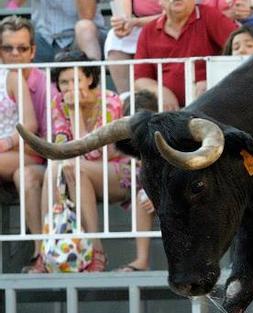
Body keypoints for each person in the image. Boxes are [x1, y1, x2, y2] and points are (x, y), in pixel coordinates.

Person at [26, 51, 127, 273]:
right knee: (55, 166)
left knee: (72, 166)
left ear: (89, 79)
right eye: (64, 82)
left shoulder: (110, 102)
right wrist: (70, 110)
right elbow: (61, 146)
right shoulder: (57, 102)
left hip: (117, 171)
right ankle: (47, 248)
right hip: (79, 170)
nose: (70, 87)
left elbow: (94, 153)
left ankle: (97, 252)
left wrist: (75, 111)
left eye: (76, 80)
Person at [0, 16, 46, 273]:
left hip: (26, 152)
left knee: (25, 174)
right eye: (8, 48)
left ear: (31, 51)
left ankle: (41, 251)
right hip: (11, 158)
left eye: (21, 48)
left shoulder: (15, 78)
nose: (15, 54)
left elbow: (30, 125)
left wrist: (5, 143)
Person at [133, 0, 237, 111]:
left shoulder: (210, 16)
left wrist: (212, 80)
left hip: (209, 104)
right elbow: (140, 79)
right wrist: (160, 91)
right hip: (166, 111)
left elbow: (242, 48)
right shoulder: (148, 30)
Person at [116, 89, 159, 271]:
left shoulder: (161, 137)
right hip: (135, 183)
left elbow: (166, 173)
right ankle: (142, 260)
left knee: (144, 196)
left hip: (166, 191)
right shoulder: (124, 141)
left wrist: (156, 195)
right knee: (142, 197)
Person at [104, 0, 163, 96]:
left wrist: (136, 22)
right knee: (114, 38)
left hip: (170, 23)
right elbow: (124, 16)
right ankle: (127, 98)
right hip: (138, 24)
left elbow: (172, 14)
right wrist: (123, 24)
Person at [30, 0, 107, 63]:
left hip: (81, 39)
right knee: (22, 38)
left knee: (85, 28)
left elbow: (86, 15)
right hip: (44, 39)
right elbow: (17, 4)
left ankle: (93, 79)